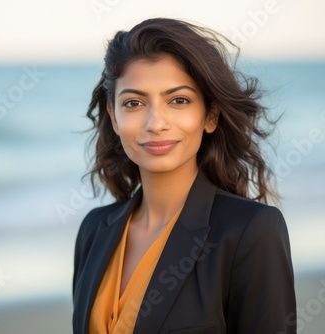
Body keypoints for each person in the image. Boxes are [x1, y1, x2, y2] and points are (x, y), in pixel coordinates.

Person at [73, 18, 296, 334]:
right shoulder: (94, 230)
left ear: (210, 115)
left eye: (178, 100)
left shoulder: (251, 231)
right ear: (113, 115)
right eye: (133, 103)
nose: (156, 122)